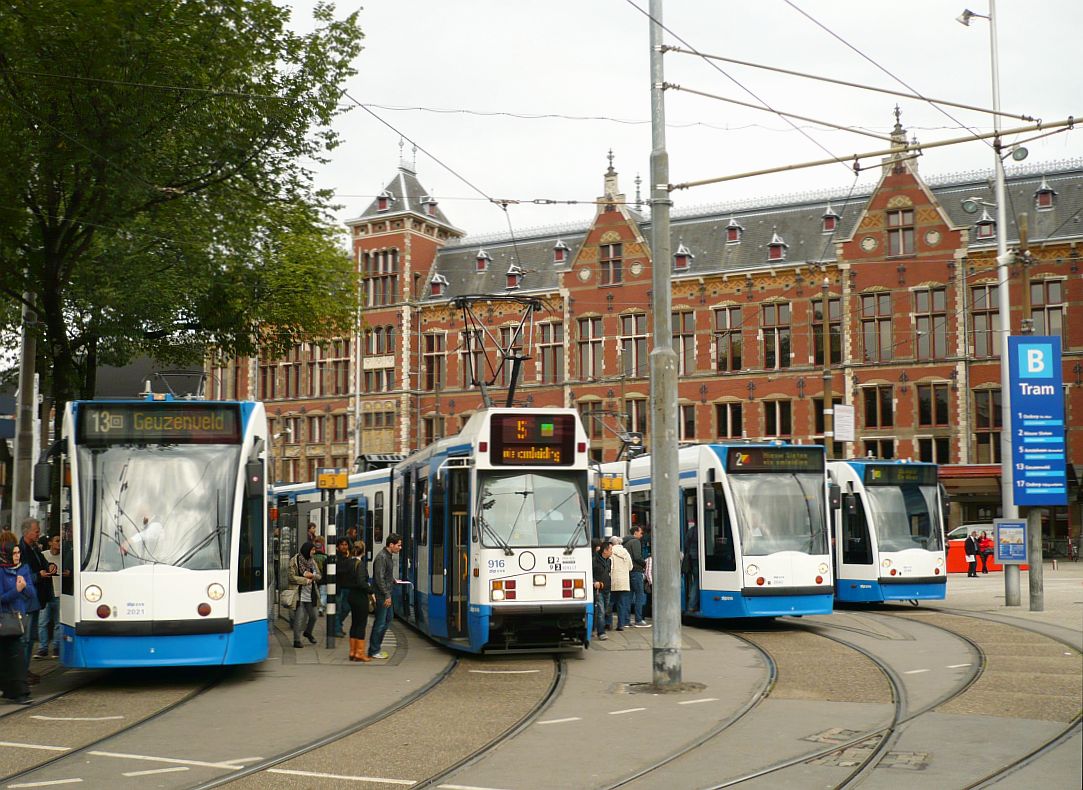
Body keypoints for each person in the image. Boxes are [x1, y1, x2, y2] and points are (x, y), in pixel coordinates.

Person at [1, 530, 37, 704]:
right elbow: (2, 598)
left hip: (18, 619)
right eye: (14, 553)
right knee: (9, 656)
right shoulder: (1, 572)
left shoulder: (23, 569)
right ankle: (15, 691)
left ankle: (20, 692)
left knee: (16, 655)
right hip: (4, 619)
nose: (17, 556)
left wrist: (24, 587)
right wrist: (17, 590)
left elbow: (31, 593)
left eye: (18, 552)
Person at [18, 518, 48, 681]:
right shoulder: (21, 550)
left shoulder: (35, 548)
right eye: (36, 531)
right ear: (27, 532)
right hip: (26, 600)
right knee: (26, 638)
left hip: (35, 599)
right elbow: (20, 575)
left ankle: (25, 669)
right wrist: (38, 575)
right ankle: (21, 671)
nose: (39, 534)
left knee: (30, 639)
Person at [368, 533, 403, 660]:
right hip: (383, 595)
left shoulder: (387, 556)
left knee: (388, 619)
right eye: (398, 545)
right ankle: (374, 649)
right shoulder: (382, 557)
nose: (400, 548)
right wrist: (387, 595)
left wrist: (391, 579)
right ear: (391, 545)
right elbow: (378, 578)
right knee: (381, 622)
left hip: (386, 592)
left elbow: (383, 575)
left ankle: (375, 647)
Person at [338, 543, 375, 662]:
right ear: (363, 552)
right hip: (360, 597)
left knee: (354, 623)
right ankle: (360, 653)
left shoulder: (348, 563)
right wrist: (371, 590)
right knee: (361, 624)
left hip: (351, 595)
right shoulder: (360, 565)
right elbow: (361, 582)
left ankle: (352, 651)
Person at [288, 542, 321, 648]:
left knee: (314, 616)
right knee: (299, 617)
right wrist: (305, 580)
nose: (314, 552)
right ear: (307, 550)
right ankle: (296, 640)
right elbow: (291, 577)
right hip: (299, 594)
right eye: (312, 550)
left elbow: (319, 576)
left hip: (311, 595)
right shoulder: (295, 561)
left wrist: (313, 576)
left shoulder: (312, 562)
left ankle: (308, 632)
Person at [36, 534, 62, 658]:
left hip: (59, 593)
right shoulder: (44, 555)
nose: (59, 543)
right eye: (57, 541)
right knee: (43, 622)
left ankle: (56, 648)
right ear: (50, 543)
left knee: (58, 622)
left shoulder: (65, 556)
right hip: (46, 593)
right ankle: (43, 648)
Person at [624, 526, 649, 627]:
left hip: (628, 572)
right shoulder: (635, 542)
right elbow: (637, 557)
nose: (642, 535)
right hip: (636, 571)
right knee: (640, 595)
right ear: (635, 533)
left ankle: (626, 620)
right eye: (641, 533)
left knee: (628, 597)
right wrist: (645, 563)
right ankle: (638, 619)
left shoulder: (625, 542)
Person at [609, 535, 633, 632]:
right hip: (624, 582)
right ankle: (621, 624)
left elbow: (610, 567)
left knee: (610, 603)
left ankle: (608, 623)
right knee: (622, 604)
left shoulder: (611, 552)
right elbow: (630, 567)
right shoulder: (625, 552)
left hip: (613, 581)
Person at [591, 539, 612, 641]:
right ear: (605, 551)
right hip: (598, 590)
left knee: (605, 610)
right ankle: (601, 632)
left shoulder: (609, 560)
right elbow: (589, 574)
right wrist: (594, 582)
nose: (612, 551)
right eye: (610, 549)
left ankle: (593, 629)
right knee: (601, 611)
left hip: (607, 589)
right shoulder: (594, 560)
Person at [333, 538, 352, 637]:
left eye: (346, 544)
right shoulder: (336, 557)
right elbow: (339, 569)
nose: (344, 547)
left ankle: (337, 625)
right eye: (342, 545)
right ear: (338, 546)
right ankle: (336, 628)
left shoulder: (349, 556)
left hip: (347, 587)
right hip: (338, 587)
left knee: (346, 608)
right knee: (338, 609)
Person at [682, 520, 700, 613]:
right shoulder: (701, 530)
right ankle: (692, 604)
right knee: (697, 581)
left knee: (696, 580)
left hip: (692, 558)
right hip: (698, 558)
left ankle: (692, 603)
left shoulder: (691, 530)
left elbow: (686, 544)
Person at [312, 538, 328, 615]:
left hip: (314, 577)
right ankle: (321, 608)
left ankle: (314, 607)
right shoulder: (325, 557)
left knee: (315, 593)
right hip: (323, 578)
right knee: (323, 594)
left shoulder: (312, 557)